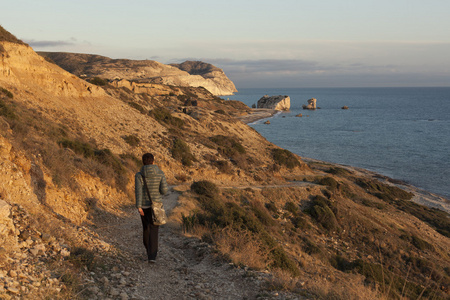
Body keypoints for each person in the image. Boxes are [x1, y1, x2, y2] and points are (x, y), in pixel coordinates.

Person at [135, 153, 169, 263]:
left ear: (143, 162)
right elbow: (164, 191)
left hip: (144, 206)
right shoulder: (160, 173)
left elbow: (138, 192)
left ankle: (148, 250)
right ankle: (152, 256)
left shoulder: (139, 175)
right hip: (157, 205)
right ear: (153, 161)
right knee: (154, 230)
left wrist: (139, 206)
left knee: (146, 228)